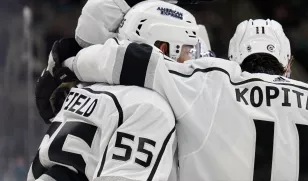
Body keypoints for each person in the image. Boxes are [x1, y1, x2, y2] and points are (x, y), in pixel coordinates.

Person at [49, 16, 308, 181]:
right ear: (288, 63)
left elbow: (130, 60)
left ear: (233, 57)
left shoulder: (211, 81)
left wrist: (68, 62)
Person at [27, 1, 203, 180]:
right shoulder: (149, 108)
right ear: (164, 48)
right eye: (189, 51)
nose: (193, 61)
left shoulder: (82, 89)